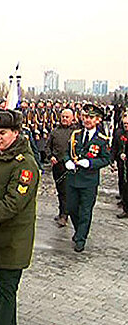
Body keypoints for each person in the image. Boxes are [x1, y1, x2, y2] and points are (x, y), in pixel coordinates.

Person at [0, 109, 39, 325]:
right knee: (4, 286)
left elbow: (13, 203)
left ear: (16, 133)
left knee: (7, 289)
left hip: (13, 239)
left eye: (2, 133)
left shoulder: (25, 164)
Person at [65, 103, 111, 252]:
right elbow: (67, 152)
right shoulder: (75, 135)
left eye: (91, 117)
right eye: (85, 116)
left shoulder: (101, 139)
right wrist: (67, 161)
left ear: (98, 120)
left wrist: (90, 162)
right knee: (71, 208)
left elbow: (106, 159)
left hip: (89, 181)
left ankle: (80, 238)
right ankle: (80, 231)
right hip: (72, 179)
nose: (87, 120)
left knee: (85, 211)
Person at [45, 108, 77, 227]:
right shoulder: (55, 132)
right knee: (60, 190)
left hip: (70, 167)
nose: (64, 119)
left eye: (67, 117)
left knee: (67, 191)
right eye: (63, 116)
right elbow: (47, 147)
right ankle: (61, 212)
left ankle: (65, 215)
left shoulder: (76, 132)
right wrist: (50, 156)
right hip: (57, 166)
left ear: (72, 118)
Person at [111, 112, 128, 218]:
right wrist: (112, 160)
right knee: (122, 183)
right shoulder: (118, 132)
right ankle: (125, 204)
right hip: (122, 164)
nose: (126, 126)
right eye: (125, 124)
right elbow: (114, 147)